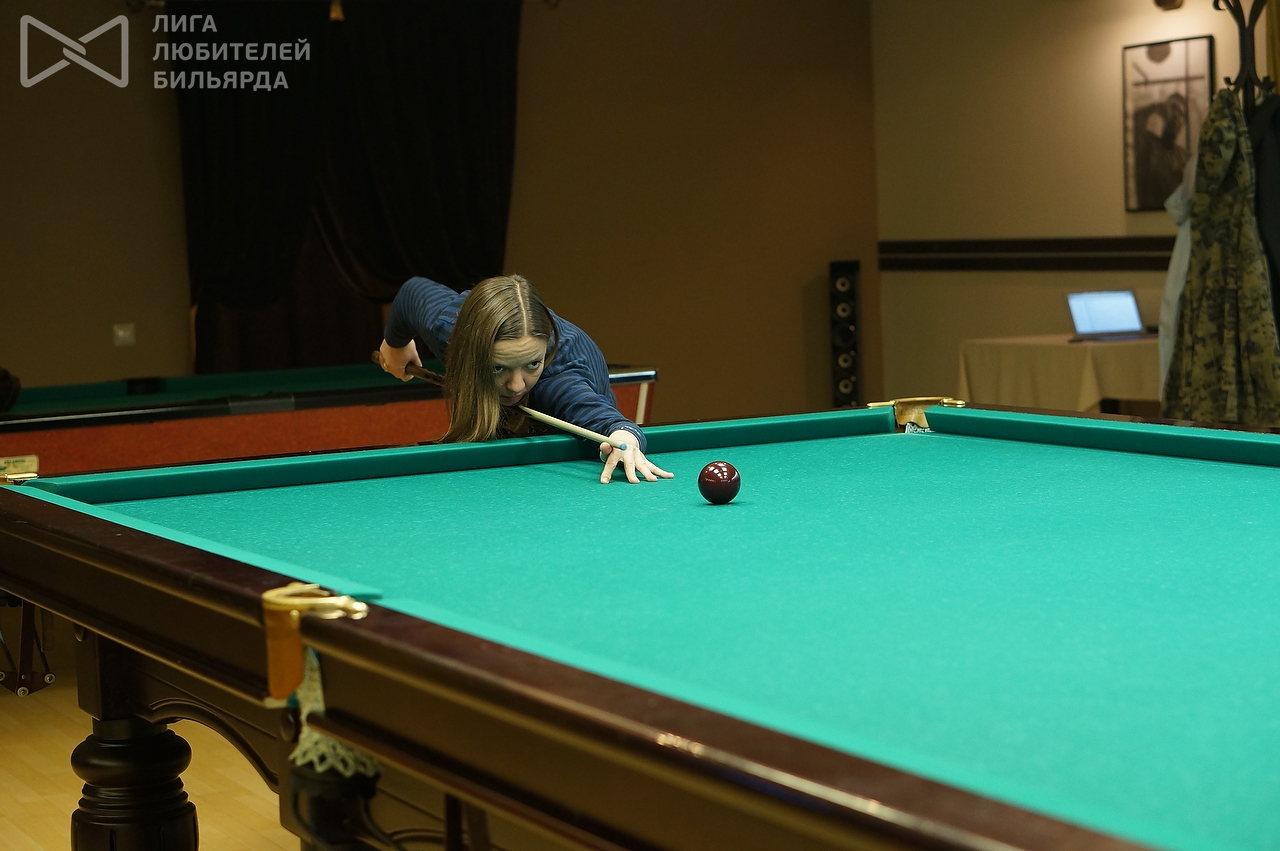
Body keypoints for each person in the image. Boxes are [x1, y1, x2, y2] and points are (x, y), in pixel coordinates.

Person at [379, 274, 673, 485]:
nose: (516, 385)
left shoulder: (557, 380)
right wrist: (395, 344)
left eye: (532, 363)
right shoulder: (447, 327)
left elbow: (607, 421)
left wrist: (624, 437)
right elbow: (412, 292)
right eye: (498, 368)